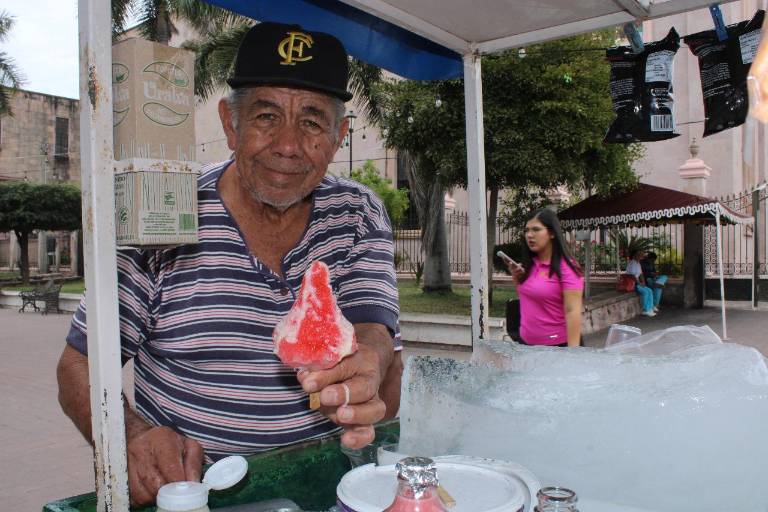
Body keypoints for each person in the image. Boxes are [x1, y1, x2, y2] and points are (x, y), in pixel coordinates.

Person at [56, 22, 403, 507]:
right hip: (196, 493)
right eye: (265, 116)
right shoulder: (164, 212)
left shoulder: (357, 212)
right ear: (229, 123)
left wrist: (370, 361)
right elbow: (80, 364)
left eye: (311, 121)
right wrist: (132, 435)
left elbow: (375, 330)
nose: (287, 145)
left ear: (340, 135)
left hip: (325, 484)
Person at [504, 209, 584, 347]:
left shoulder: (567, 268)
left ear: (552, 233)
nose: (529, 235)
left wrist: (573, 355)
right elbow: (530, 300)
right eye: (527, 230)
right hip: (526, 345)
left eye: (536, 229)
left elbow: (573, 312)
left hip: (556, 348)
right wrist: (516, 278)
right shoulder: (530, 265)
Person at [626, 249, 656, 316]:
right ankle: (645, 310)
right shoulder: (632, 263)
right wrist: (640, 283)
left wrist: (643, 282)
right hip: (633, 283)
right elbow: (632, 276)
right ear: (634, 256)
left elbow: (641, 274)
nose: (641, 256)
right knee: (645, 292)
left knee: (650, 290)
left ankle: (650, 308)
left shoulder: (638, 263)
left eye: (641, 255)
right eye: (639, 254)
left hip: (638, 282)